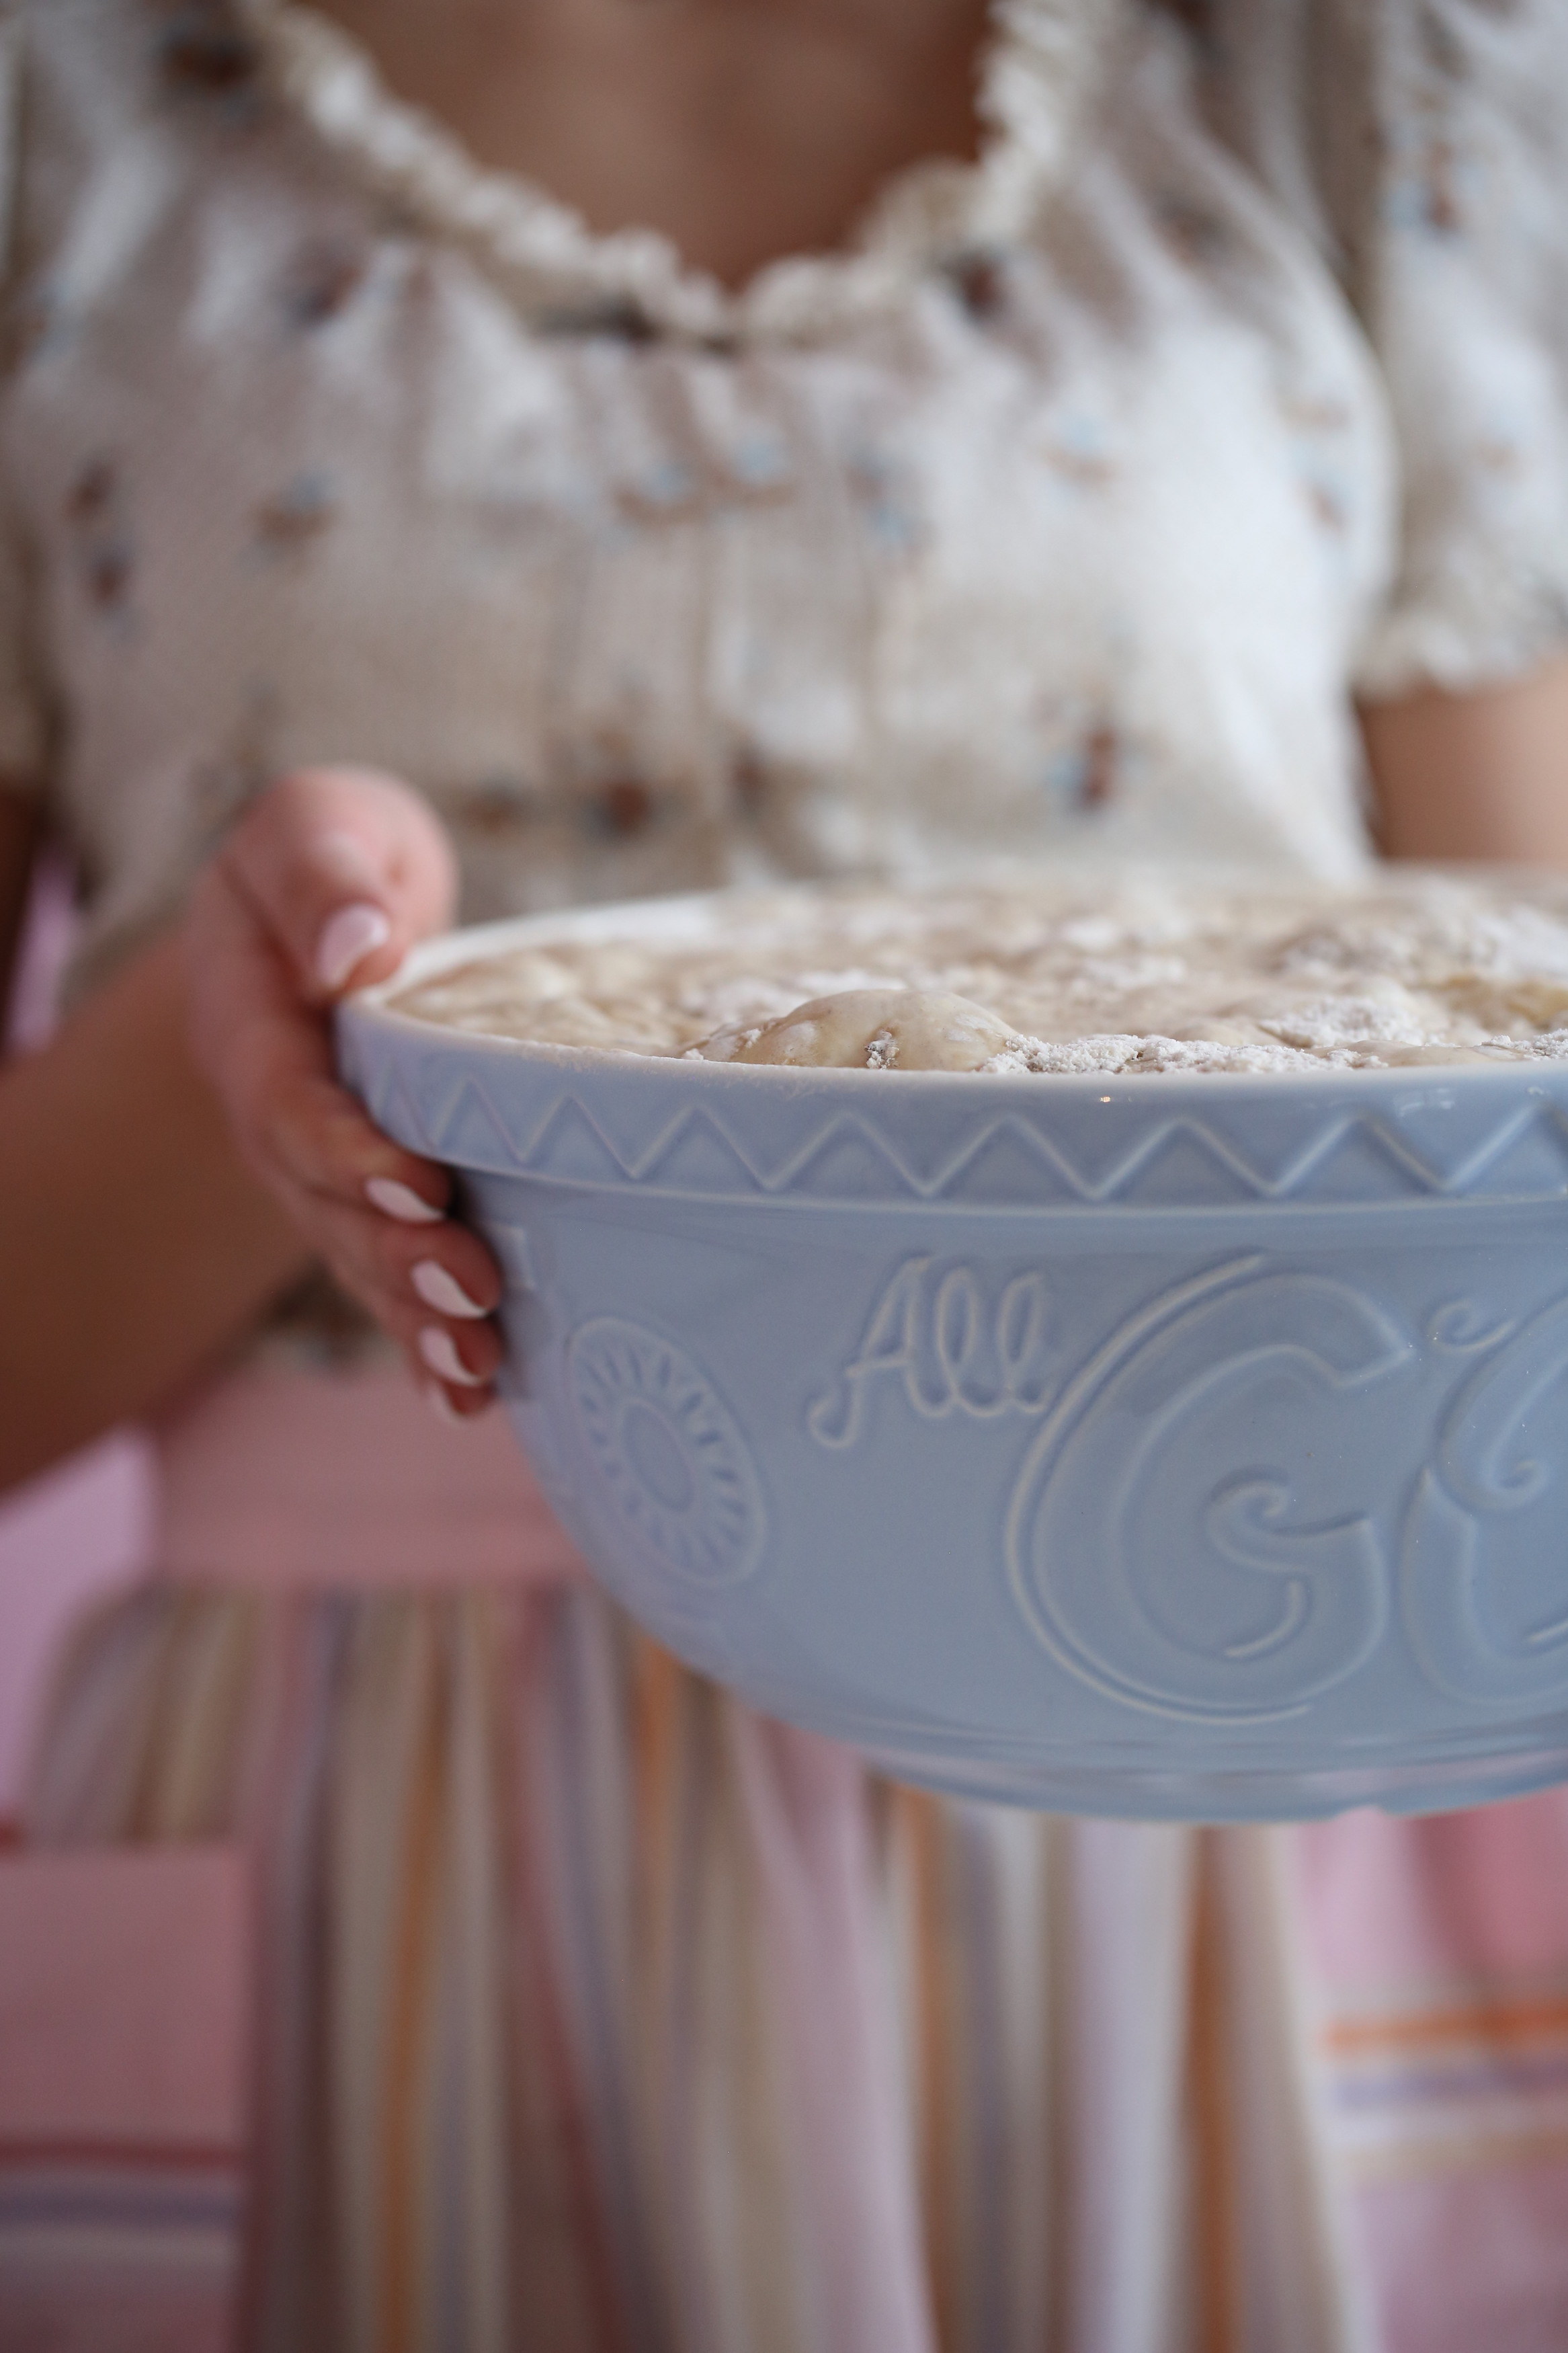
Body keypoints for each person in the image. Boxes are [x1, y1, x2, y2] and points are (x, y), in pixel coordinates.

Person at [3, 0, 1568, 2344]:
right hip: (376, 1825)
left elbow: (1516, 1085)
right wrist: (308, 1038)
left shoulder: (1344, 78)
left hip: (1200, 1801)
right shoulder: (73, 114)